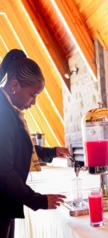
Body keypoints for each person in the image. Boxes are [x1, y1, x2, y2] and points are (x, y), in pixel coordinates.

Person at [0, 49, 72, 238]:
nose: (34, 103)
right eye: (33, 95)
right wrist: (39, 201)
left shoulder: (7, 109)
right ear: (15, 85)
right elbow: (3, 172)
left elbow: (19, 149)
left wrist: (53, 152)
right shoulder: (3, 114)